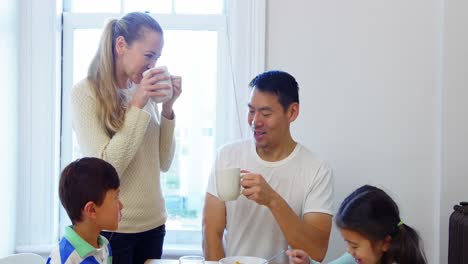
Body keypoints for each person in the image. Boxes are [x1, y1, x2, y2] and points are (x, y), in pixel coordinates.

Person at [71, 12, 182, 263]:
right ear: (121, 45)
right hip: (114, 230)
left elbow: (164, 162)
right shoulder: (85, 93)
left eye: (157, 57)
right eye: (148, 55)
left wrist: (167, 109)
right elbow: (107, 169)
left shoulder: (143, 90)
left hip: (154, 224)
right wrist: (139, 103)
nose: (153, 65)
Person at [202, 70, 334, 264]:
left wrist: (272, 200)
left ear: (292, 112)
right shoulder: (227, 156)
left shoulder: (317, 170)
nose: (255, 121)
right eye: (251, 111)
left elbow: (316, 251)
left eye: (265, 113)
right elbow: (210, 231)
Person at [287, 185, 427, 264]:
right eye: (348, 244)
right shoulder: (354, 258)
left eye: (354, 245)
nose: (349, 250)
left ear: (385, 243)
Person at [47, 157, 123, 264]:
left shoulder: (104, 245)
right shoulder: (64, 259)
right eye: (116, 197)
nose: (121, 205)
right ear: (91, 210)